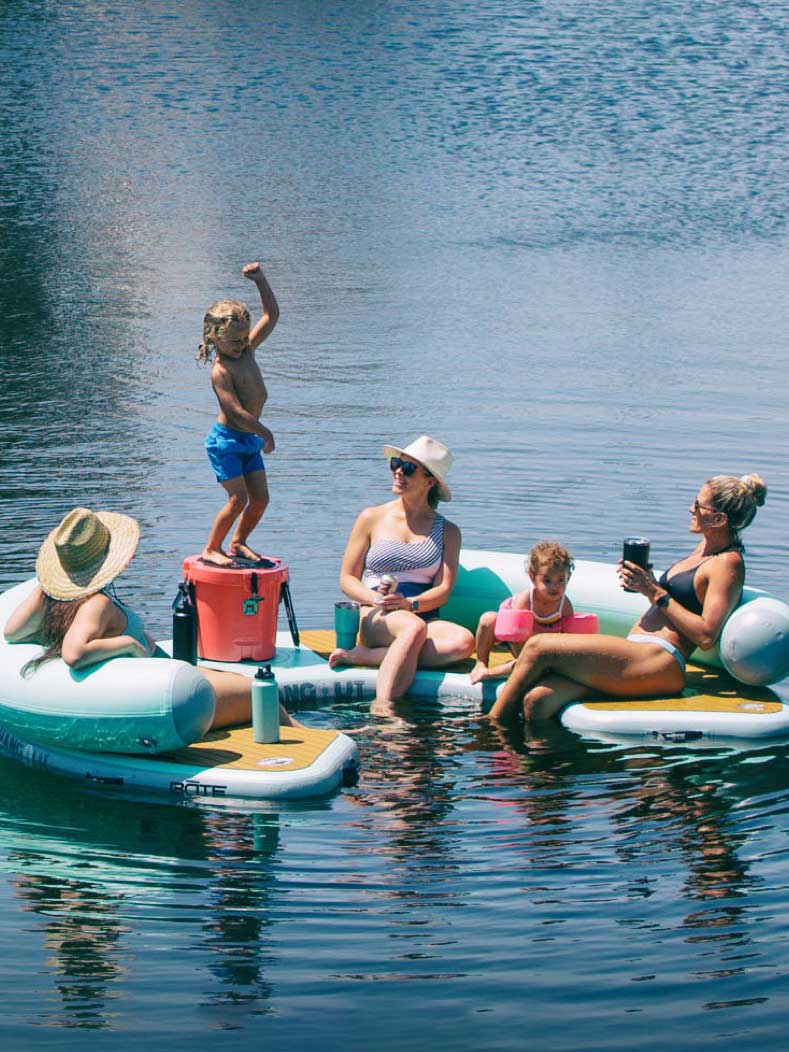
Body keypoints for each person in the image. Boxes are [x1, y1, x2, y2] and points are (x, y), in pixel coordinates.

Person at [488, 473, 767, 722]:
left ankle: (488, 728)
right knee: (538, 701)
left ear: (719, 519)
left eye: (698, 505)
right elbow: (676, 601)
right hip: (637, 652)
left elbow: (706, 635)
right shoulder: (703, 549)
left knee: (539, 647)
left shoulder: (727, 563)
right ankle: (540, 773)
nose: (690, 509)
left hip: (660, 662)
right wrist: (647, 583)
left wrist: (654, 592)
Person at [4, 507, 298, 731]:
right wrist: (129, 644)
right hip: (165, 694)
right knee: (261, 694)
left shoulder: (50, 599)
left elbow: (12, 631)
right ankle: (317, 740)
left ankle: (307, 732)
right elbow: (73, 652)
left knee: (236, 680)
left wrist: (48, 587)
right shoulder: (97, 604)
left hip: (161, 678)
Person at [328, 436, 475, 702]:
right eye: (396, 464)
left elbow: (443, 590)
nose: (398, 471)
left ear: (430, 482)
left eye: (408, 468)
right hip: (377, 612)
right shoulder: (371, 517)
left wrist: (410, 605)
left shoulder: (449, 532)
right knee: (413, 631)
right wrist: (378, 600)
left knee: (463, 642)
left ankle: (369, 657)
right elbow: (347, 578)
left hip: (420, 614)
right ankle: (385, 707)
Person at [197, 262, 280, 567]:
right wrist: (265, 433)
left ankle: (239, 541)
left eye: (244, 338)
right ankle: (211, 547)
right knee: (238, 499)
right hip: (227, 441)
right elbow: (235, 411)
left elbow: (271, 317)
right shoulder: (221, 370)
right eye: (233, 341)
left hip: (248, 439)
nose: (241, 344)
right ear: (213, 337)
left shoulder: (247, 351)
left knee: (260, 499)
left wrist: (261, 281)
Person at [470, 541, 575, 684]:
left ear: (568, 577)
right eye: (547, 580)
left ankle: (495, 672)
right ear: (532, 576)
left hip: (539, 644)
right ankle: (481, 663)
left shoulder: (565, 605)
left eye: (561, 580)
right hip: (512, 638)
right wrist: (522, 655)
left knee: (533, 662)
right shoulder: (525, 600)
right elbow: (514, 634)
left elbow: (569, 639)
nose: (554, 586)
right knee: (487, 619)